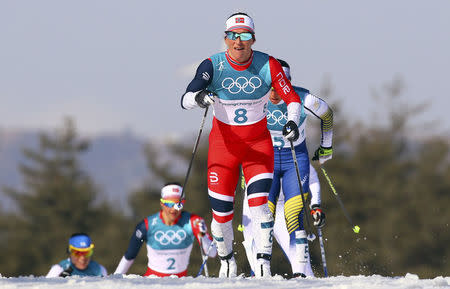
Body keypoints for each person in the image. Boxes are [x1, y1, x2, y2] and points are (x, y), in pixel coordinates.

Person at [181, 12, 303, 278]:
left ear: (254, 39)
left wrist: (293, 121)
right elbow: (186, 97)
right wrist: (200, 97)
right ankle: (227, 261)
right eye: (234, 36)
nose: (239, 42)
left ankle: (263, 264)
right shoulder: (213, 65)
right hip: (222, 150)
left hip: (257, 148)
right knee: (221, 215)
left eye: (245, 36)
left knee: (260, 205)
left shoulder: (268, 65)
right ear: (226, 39)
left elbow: (292, 99)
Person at [241, 59, 333, 277]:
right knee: (264, 217)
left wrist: (326, 147)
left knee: (293, 215)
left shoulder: (302, 98)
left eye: (281, 85)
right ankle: (261, 273)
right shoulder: (254, 100)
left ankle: (300, 274)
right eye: (270, 85)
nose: (275, 92)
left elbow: (327, 114)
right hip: (266, 162)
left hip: (294, 160)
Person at [114, 182, 217, 277]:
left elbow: (212, 253)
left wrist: (202, 235)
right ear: (162, 203)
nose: (173, 209)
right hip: (152, 281)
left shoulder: (193, 221)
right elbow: (130, 255)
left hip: (181, 282)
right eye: (169, 204)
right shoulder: (147, 224)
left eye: (178, 204)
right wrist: (115, 278)